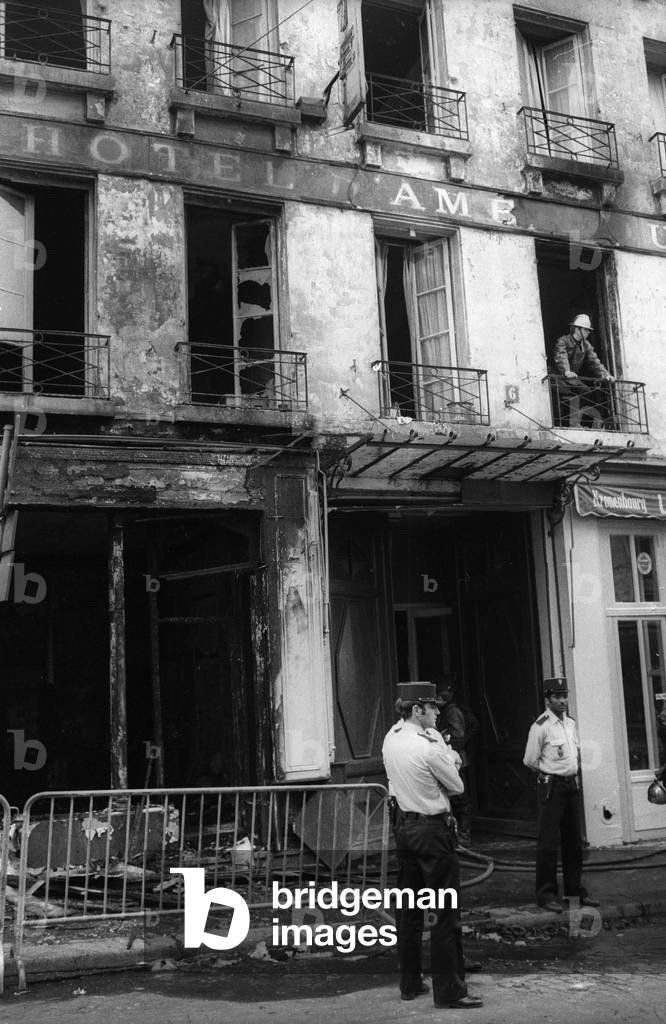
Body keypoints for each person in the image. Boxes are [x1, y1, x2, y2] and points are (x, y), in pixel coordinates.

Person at [382, 682, 483, 1010]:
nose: (438, 711)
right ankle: (450, 990)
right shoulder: (428, 745)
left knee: (409, 912)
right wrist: (450, 756)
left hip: (405, 829)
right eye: (432, 707)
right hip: (432, 831)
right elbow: (457, 786)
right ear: (417, 710)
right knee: (444, 914)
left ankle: (410, 982)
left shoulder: (392, 737)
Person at [523, 677, 600, 913]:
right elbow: (529, 760)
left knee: (573, 841)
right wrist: (550, 775)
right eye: (557, 697)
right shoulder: (541, 726)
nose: (562, 701)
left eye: (564, 695)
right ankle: (546, 895)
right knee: (548, 842)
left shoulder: (570, 724)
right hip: (552, 787)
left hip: (571, 785)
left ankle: (574, 890)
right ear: (548, 700)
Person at [551, 314, 615, 427]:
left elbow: (594, 361)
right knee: (567, 393)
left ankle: (576, 422)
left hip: (571, 378)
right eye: (586, 330)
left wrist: (606, 375)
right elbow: (561, 357)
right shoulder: (563, 341)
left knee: (586, 391)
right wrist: (566, 371)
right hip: (558, 377)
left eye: (589, 330)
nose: (588, 332)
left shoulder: (586, 345)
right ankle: (564, 423)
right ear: (577, 329)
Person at [437, 677, 479, 848]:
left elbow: (458, 737)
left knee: (461, 801)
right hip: (453, 759)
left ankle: (464, 836)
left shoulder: (452, 711)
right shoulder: (448, 710)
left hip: (456, 760)